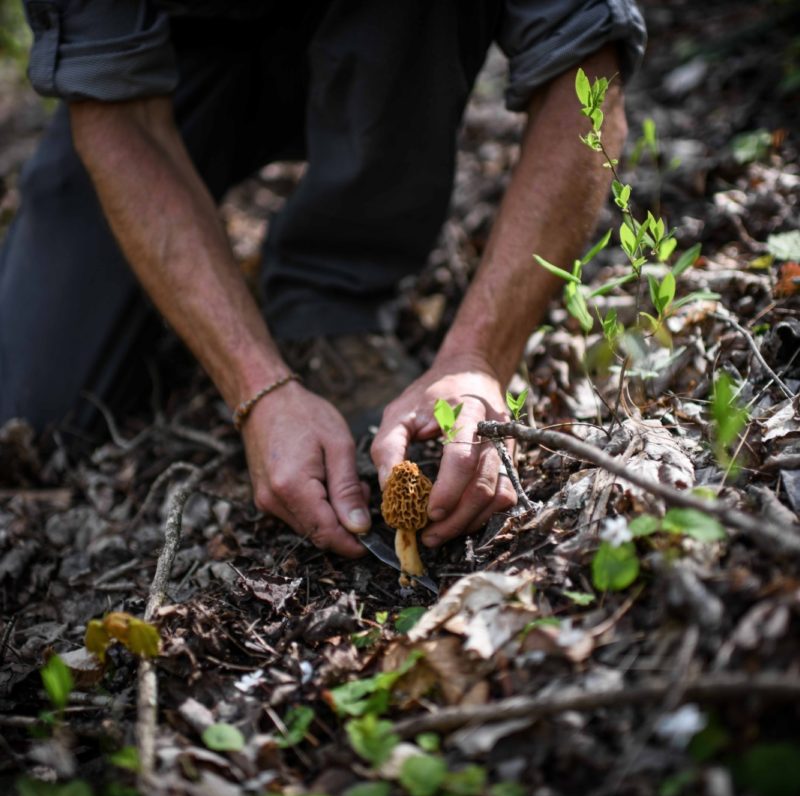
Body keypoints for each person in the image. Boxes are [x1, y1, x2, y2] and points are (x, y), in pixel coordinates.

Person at [0, 1, 646, 557]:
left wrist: (479, 355)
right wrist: (257, 388)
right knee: (31, 406)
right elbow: (119, 115)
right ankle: (192, 304)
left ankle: (331, 291)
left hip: (388, 45)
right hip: (175, 57)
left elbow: (587, 61)